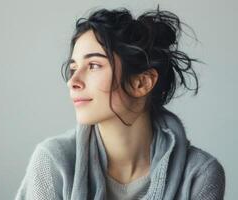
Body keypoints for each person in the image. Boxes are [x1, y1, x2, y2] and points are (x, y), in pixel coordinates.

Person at [15, 6, 226, 200]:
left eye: (94, 65)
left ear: (141, 82)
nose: (73, 81)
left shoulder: (198, 174)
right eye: (73, 68)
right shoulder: (53, 161)